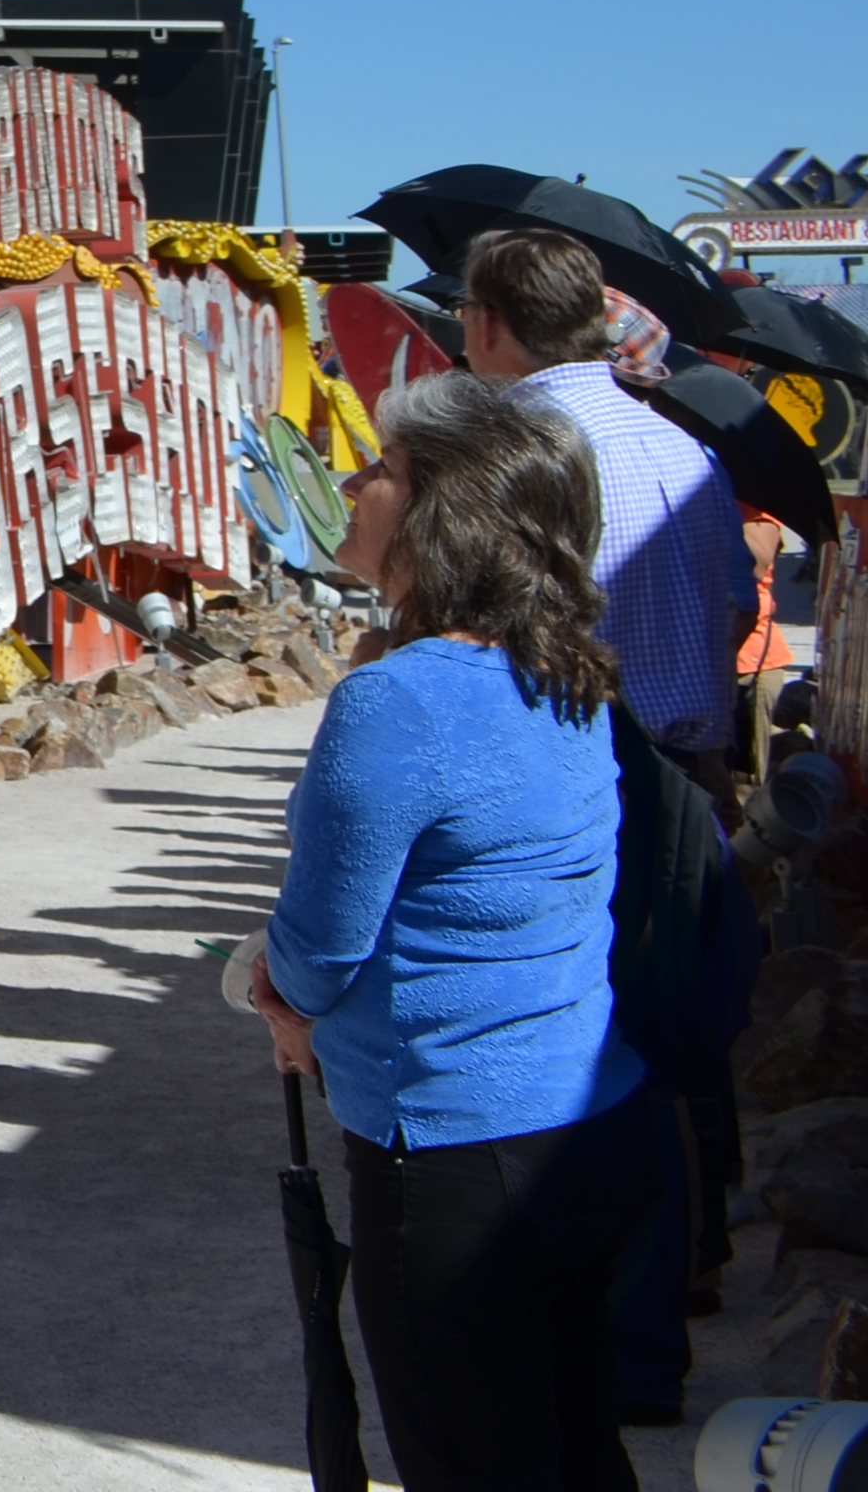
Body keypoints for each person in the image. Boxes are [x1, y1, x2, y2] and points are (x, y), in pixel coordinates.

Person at [251, 375, 663, 1491]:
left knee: (472, 1461)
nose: (349, 480)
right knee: (574, 1448)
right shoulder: (565, 667)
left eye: (380, 467)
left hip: (452, 1151)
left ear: (441, 512)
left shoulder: (398, 701)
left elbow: (321, 949)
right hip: (585, 1119)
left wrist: (268, 987)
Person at [463, 226, 747, 770]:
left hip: (569, 764)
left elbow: (473, 631)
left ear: (491, 321)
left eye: (465, 310)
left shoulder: (509, 447)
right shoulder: (689, 449)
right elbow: (736, 607)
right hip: (688, 769)